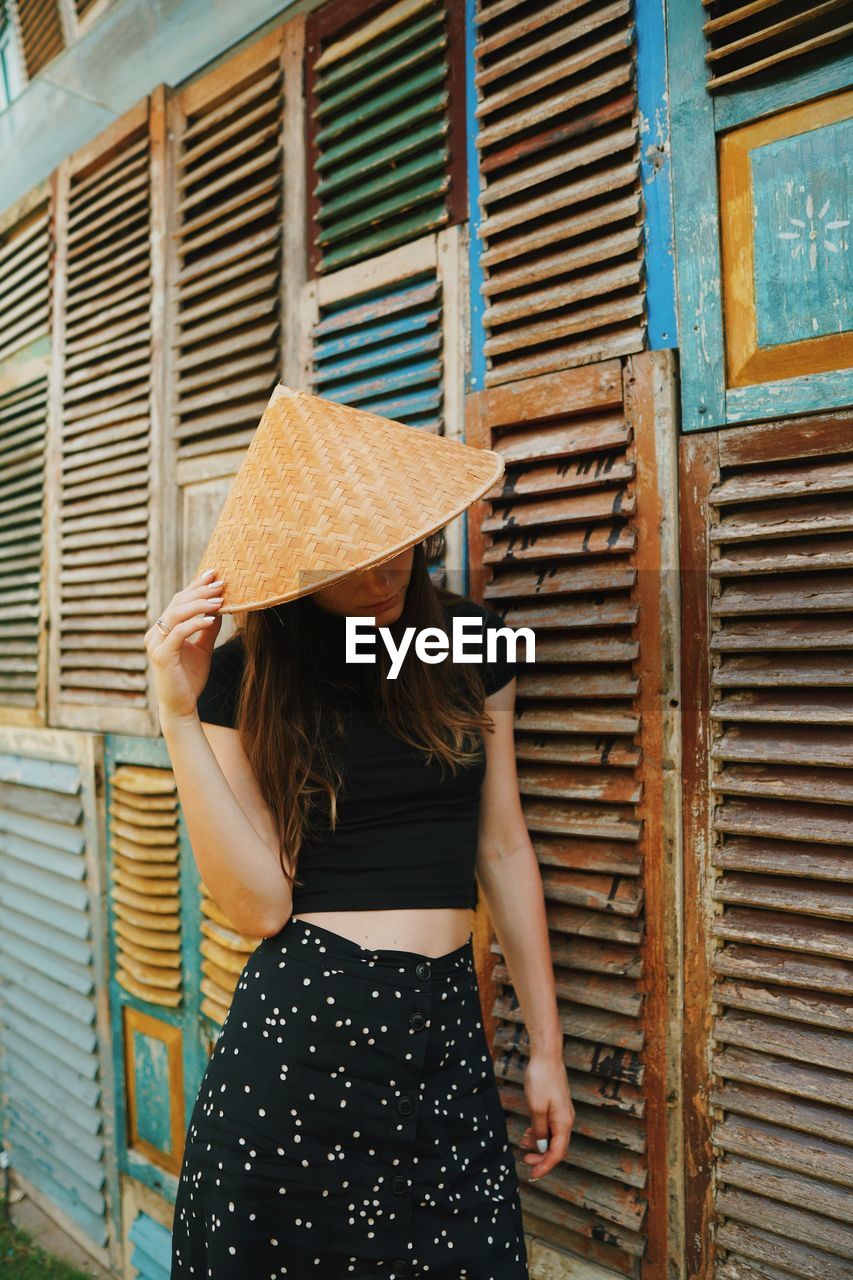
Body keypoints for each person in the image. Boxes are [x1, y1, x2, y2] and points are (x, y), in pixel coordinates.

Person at [148, 393, 574, 1278]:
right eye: (354, 568)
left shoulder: (475, 644)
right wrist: (178, 718)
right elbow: (258, 906)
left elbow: (501, 846)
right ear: (302, 570)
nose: (384, 582)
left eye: (400, 556)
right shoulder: (244, 679)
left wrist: (547, 1048)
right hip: (304, 1043)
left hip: (445, 1036)